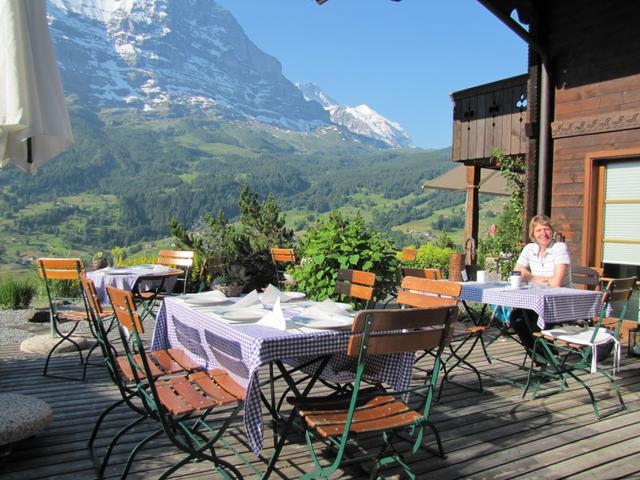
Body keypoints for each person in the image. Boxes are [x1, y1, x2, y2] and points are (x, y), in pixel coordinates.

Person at [509, 215, 572, 353]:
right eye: (539, 230)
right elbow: (517, 272)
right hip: (536, 300)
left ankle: (548, 356)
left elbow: (556, 283)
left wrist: (531, 277)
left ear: (552, 231)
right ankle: (539, 356)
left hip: (558, 301)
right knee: (516, 318)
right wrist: (542, 279)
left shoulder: (559, 248)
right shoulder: (530, 249)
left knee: (535, 320)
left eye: (546, 229)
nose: (543, 234)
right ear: (533, 234)